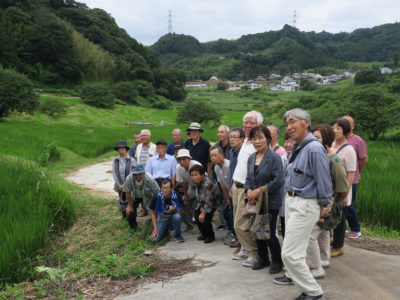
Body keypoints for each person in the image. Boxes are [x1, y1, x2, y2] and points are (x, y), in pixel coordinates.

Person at [273, 109, 332, 300]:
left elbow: (324, 179)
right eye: (286, 124)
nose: (289, 128)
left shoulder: (314, 148)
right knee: (294, 252)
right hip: (293, 201)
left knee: (290, 254)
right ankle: (307, 290)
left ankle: (314, 292)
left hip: (305, 204)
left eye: (292, 122)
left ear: (306, 123)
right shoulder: (299, 147)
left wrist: (325, 203)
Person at [307, 124, 350, 278]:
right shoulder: (319, 155)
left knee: (311, 234)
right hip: (321, 200)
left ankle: (315, 267)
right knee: (324, 232)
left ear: (326, 139)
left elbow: (342, 186)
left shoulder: (334, 159)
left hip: (328, 202)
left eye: (317, 137)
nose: (314, 140)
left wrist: (336, 202)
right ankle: (324, 259)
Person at [245, 125, 284, 273]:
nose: (257, 141)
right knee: (256, 231)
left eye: (260, 138)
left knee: (268, 232)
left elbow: (278, 180)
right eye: (254, 138)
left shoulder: (274, 157)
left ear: (268, 139)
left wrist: (259, 191)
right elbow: (248, 178)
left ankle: (276, 261)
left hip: (269, 201)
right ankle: (263, 259)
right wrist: (249, 190)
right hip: (254, 201)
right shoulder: (251, 157)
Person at [231, 111, 263, 267]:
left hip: (247, 188)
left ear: (259, 125)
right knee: (241, 222)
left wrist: (253, 189)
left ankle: (254, 253)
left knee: (241, 224)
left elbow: (259, 169)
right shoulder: (246, 140)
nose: (248, 125)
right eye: (246, 122)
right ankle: (245, 247)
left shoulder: (259, 142)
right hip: (237, 185)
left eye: (252, 123)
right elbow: (241, 164)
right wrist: (233, 183)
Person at [330, 118, 357, 258]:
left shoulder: (349, 150)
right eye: (333, 128)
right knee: (330, 215)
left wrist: (345, 194)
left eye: (339, 128)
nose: (335, 131)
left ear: (345, 131)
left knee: (340, 219)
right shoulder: (331, 144)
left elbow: (351, 174)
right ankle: (333, 239)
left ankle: (338, 246)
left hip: (342, 189)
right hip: (330, 189)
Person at [342, 115, 368, 239]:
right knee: (339, 204)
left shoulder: (358, 141)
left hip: (352, 178)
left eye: (348, 123)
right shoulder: (336, 139)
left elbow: (363, 159)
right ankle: (343, 228)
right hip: (338, 178)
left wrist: (358, 172)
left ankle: (355, 229)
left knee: (349, 203)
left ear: (352, 126)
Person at [123, 162, 160, 229]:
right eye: (135, 174)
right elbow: (127, 192)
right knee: (130, 213)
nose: (137, 176)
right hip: (134, 197)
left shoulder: (150, 179)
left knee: (154, 211)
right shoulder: (129, 178)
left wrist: (155, 206)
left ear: (143, 173)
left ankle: (155, 226)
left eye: (139, 174)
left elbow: (156, 192)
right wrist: (130, 206)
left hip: (147, 196)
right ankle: (134, 229)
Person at [188, 164, 219, 243]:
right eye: (192, 175)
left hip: (212, 202)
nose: (193, 177)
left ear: (202, 175)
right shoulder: (197, 182)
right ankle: (204, 234)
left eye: (196, 175)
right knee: (197, 215)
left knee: (205, 218)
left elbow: (209, 201)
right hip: (202, 201)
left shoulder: (207, 183)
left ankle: (210, 236)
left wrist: (203, 213)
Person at [226, 127, 245, 248]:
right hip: (233, 187)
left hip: (242, 187)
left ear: (242, 139)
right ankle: (239, 241)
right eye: (230, 137)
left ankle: (243, 244)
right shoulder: (231, 151)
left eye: (235, 137)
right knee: (234, 216)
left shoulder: (243, 153)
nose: (232, 139)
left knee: (241, 219)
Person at [175, 149, 202, 231]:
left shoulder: (196, 165)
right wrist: (185, 195)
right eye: (179, 159)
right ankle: (189, 225)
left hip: (201, 185)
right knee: (185, 203)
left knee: (200, 204)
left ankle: (201, 223)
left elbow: (202, 180)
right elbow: (183, 183)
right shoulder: (178, 168)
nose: (182, 161)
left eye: (184, 159)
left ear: (189, 159)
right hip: (191, 186)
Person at [210, 145, 231, 238]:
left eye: (215, 155)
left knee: (231, 214)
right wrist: (227, 199)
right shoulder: (216, 168)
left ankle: (236, 235)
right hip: (228, 194)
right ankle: (231, 232)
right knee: (226, 212)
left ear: (222, 155)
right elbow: (222, 184)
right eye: (211, 156)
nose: (213, 158)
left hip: (236, 192)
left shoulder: (229, 165)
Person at [112, 140, 134, 227]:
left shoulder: (131, 160)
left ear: (126, 149)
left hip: (128, 184)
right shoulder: (115, 160)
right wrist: (119, 185)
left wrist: (125, 184)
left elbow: (132, 173)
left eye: (122, 148)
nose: (120, 150)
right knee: (121, 199)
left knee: (129, 200)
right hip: (119, 184)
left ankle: (130, 216)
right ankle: (123, 216)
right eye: (119, 148)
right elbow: (114, 172)